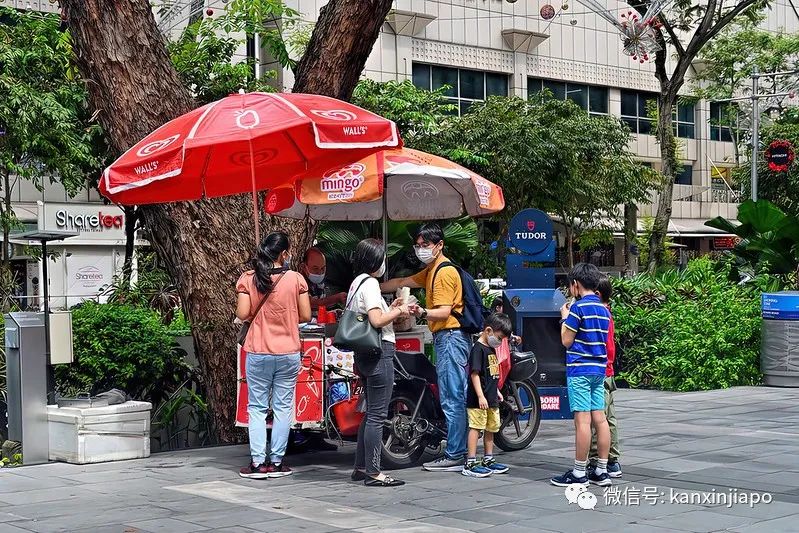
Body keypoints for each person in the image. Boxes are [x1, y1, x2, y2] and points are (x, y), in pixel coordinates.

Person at [380, 223, 469, 472]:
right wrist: (371, 286)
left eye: (425, 245)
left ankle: (455, 454)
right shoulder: (431, 270)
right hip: (446, 338)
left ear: (439, 245)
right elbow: (402, 281)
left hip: (451, 338)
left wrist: (421, 311)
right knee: (450, 394)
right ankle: (456, 448)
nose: (420, 250)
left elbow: (444, 312)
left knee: (452, 397)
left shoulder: (443, 273)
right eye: (418, 245)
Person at [236, 231, 311, 479]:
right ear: (284, 254)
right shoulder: (296, 279)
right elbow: (305, 315)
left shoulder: (248, 278)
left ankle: (258, 463)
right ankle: (277, 463)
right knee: (282, 407)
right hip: (288, 352)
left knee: (257, 408)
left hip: (258, 351)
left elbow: (243, 313)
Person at [348, 238, 409, 487]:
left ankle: (361, 467)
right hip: (379, 352)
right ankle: (374, 472)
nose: (384, 263)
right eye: (382, 258)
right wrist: (400, 310)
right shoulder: (371, 283)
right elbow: (376, 321)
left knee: (370, 413)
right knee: (377, 415)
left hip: (364, 354)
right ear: (375, 260)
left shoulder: (357, 282)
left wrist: (389, 307)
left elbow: (372, 314)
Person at [550, 263, 612, 488]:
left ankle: (578, 472)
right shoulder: (604, 309)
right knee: (600, 419)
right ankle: (602, 470)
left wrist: (564, 318)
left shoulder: (578, 308)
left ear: (575, 284)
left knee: (582, 421)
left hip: (580, 371)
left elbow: (566, 341)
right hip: (598, 370)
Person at [463, 312, 513, 478]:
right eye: (499, 338)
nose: (499, 342)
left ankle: (488, 458)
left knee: (491, 427)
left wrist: (496, 391)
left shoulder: (491, 348)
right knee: (476, 427)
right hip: (479, 399)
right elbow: (475, 374)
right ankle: (471, 461)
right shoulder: (478, 349)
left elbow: (490, 374)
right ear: (488, 330)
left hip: (491, 398)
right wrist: (480, 396)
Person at [588, 275, 622, 478]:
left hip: (601, 372)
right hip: (607, 371)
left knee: (599, 419)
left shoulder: (600, 315)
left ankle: (601, 460)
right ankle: (611, 460)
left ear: (597, 293)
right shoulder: (607, 313)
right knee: (608, 417)